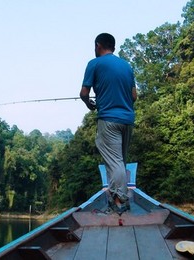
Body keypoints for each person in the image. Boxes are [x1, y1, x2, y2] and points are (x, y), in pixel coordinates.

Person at [80, 33, 137, 214]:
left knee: (115, 162)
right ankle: (114, 201)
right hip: (127, 120)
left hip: (108, 119)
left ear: (98, 45)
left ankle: (122, 200)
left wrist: (90, 104)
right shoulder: (127, 66)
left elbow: (83, 93)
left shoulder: (94, 64)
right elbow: (134, 96)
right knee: (118, 161)